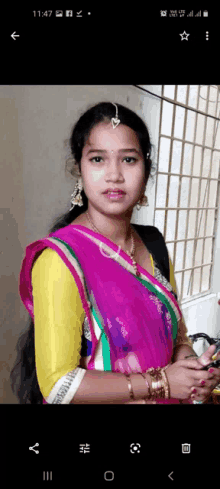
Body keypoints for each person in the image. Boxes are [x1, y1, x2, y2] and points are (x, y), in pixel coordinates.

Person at [11, 102, 220, 404]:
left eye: (129, 160)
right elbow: (59, 386)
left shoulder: (154, 244)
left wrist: (192, 370)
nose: (114, 175)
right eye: (97, 159)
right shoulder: (61, 259)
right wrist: (161, 382)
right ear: (79, 170)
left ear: (146, 172)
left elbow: (177, 339)